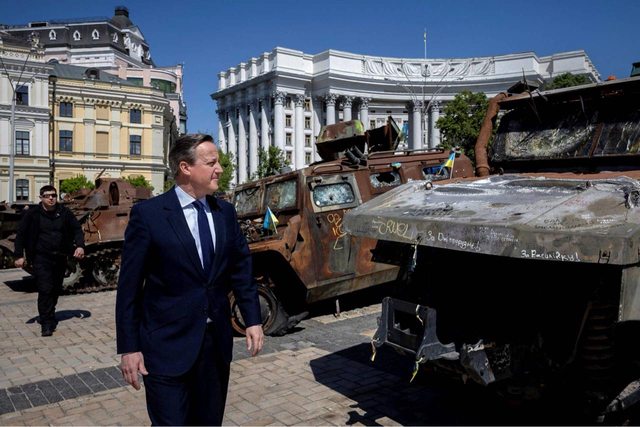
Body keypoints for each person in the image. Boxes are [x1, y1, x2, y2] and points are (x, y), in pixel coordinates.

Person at [116, 133, 264, 425]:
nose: (219, 169)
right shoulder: (149, 215)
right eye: (211, 163)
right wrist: (129, 348)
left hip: (214, 347)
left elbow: (241, 269)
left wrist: (253, 319)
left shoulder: (225, 212)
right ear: (185, 168)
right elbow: (129, 288)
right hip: (165, 347)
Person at [14, 185, 85, 337]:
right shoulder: (32, 214)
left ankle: (50, 313)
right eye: (47, 196)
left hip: (60, 257)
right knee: (45, 289)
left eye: (53, 195)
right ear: (41, 198)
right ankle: (46, 323)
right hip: (41, 257)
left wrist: (80, 246)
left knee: (55, 289)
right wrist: (19, 255)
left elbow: (77, 229)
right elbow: (21, 235)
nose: (51, 198)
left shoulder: (64, 212)